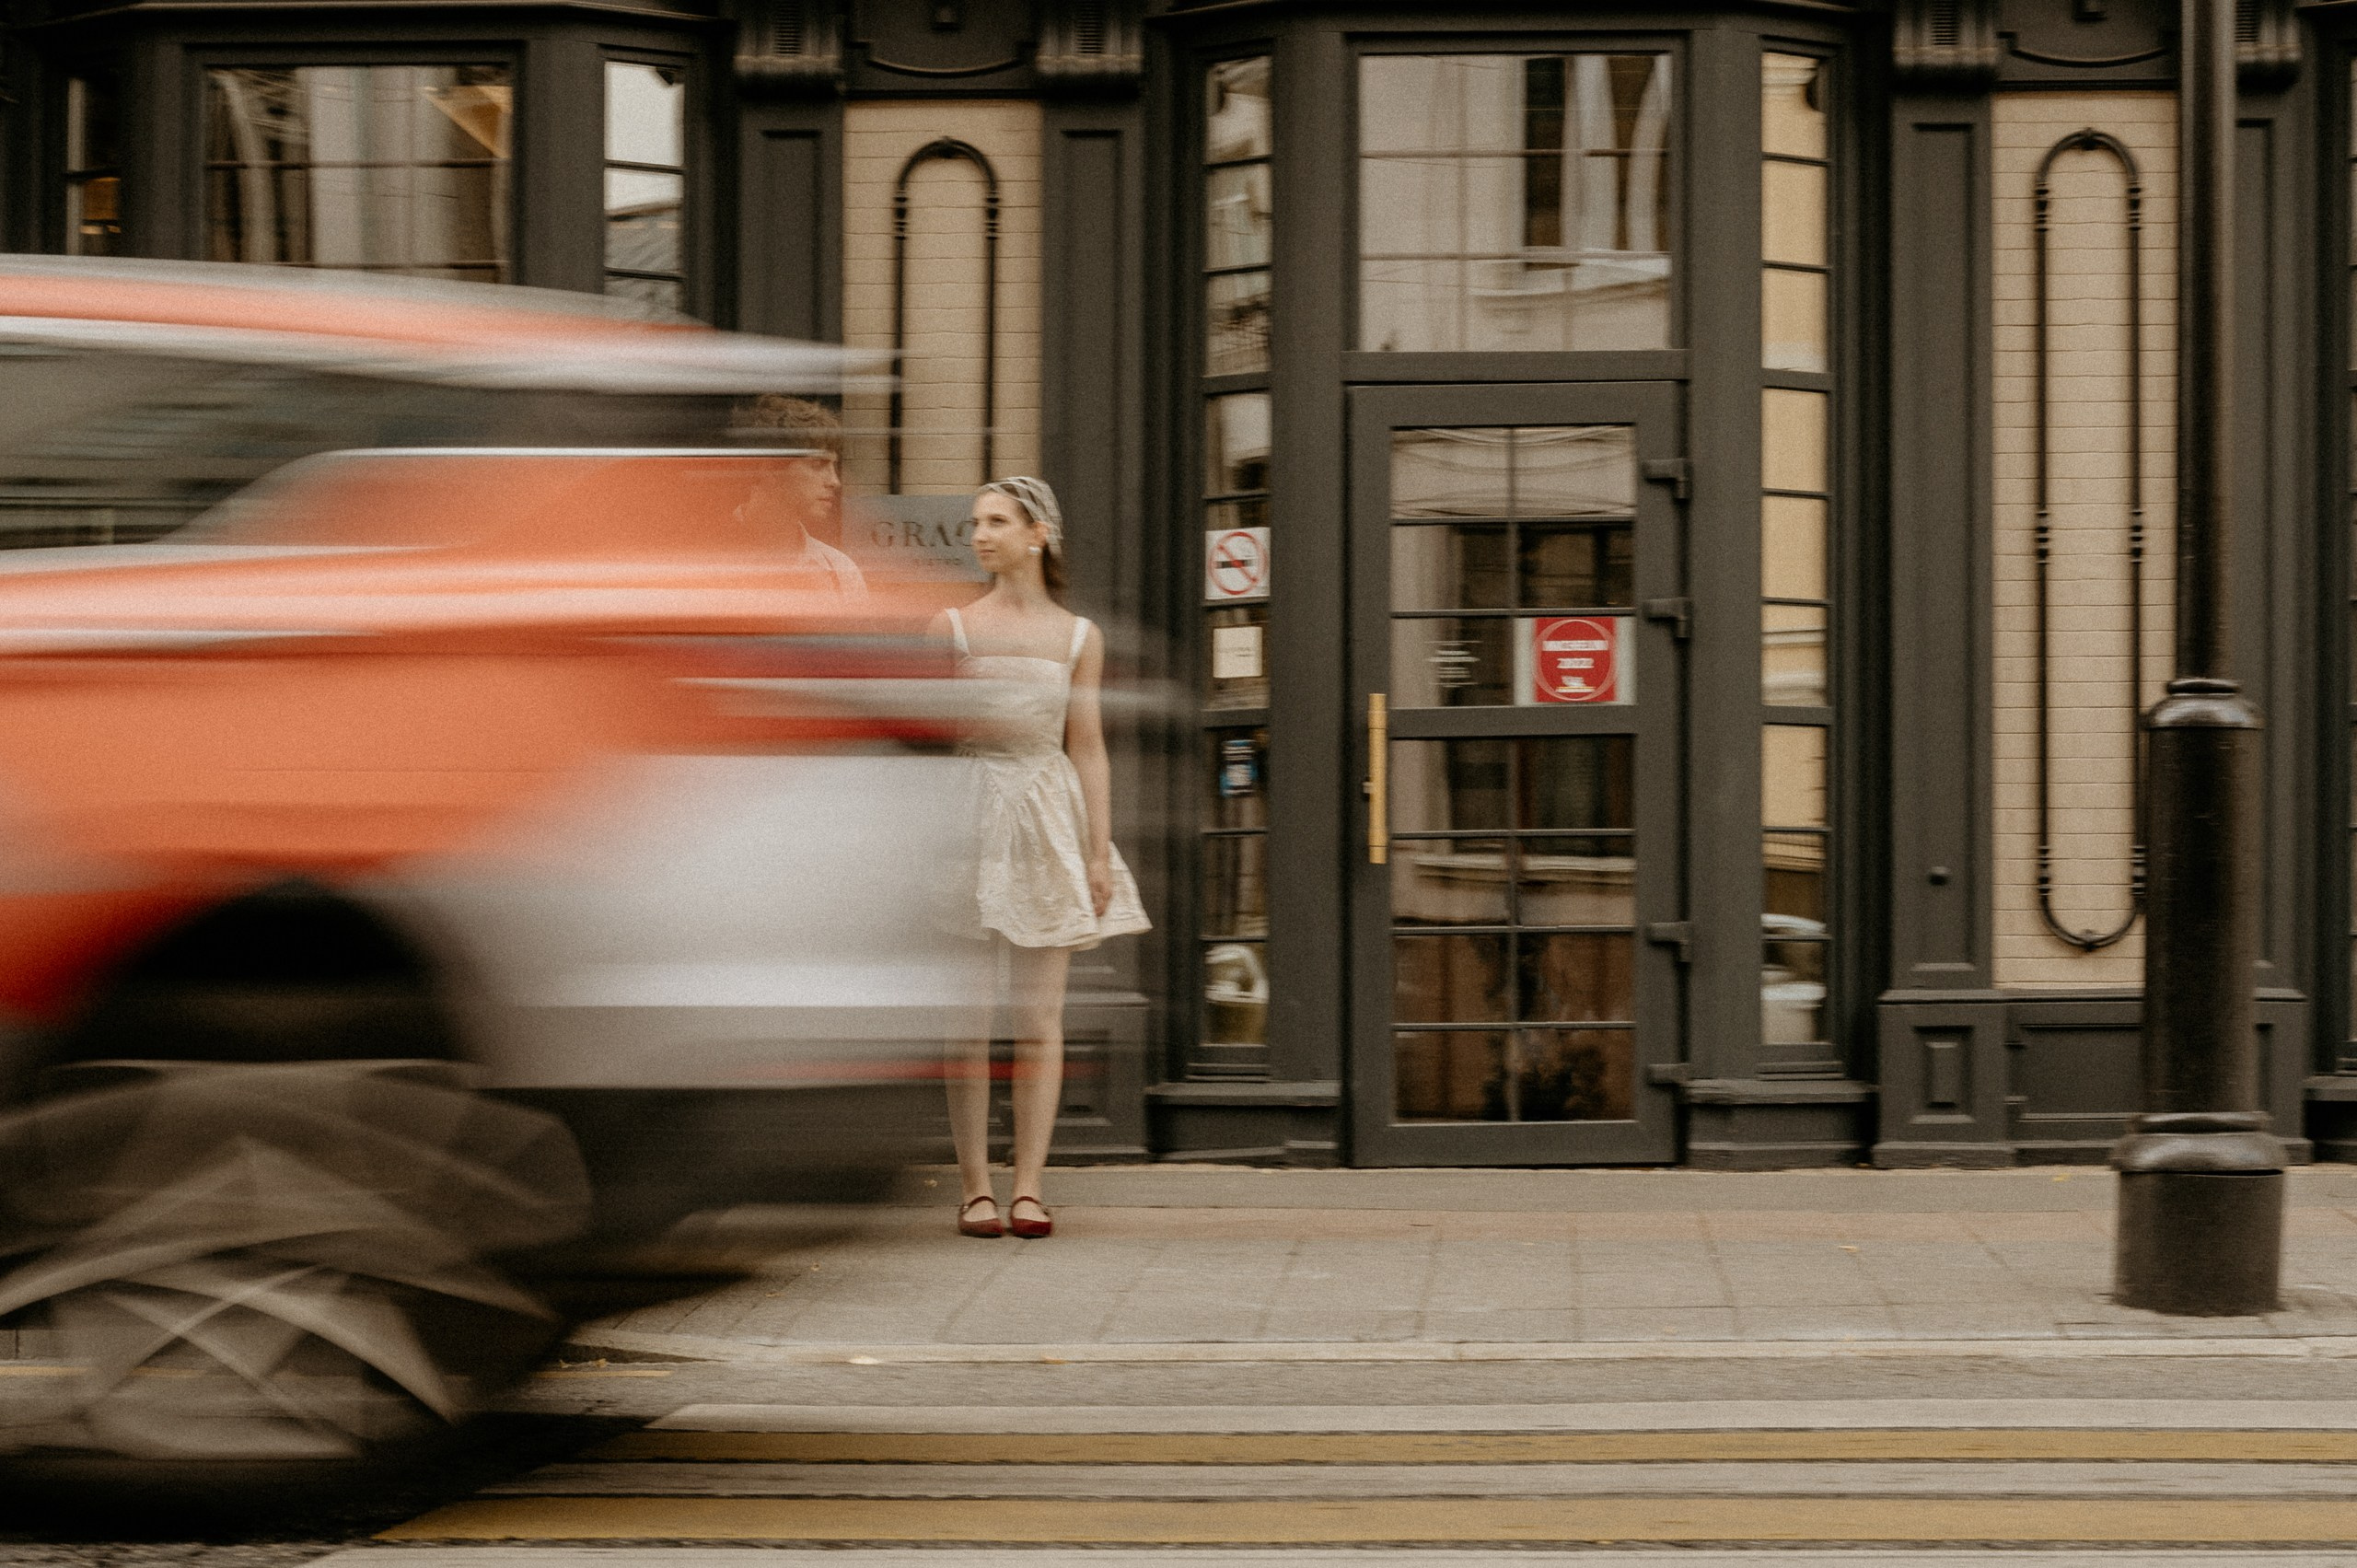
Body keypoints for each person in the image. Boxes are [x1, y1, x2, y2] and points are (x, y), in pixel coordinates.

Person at [935, 475, 1149, 1239]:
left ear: (1038, 534)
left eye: (997, 521)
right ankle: (974, 1187)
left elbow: (1087, 745)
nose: (980, 535)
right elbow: (924, 739)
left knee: (1037, 1016)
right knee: (968, 1019)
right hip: (968, 817)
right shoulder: (951, 627)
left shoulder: (1078, 635)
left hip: (1047, 819)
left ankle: (1028, 1186)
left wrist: (1097, 851)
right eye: (975, 522)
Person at [734, 394, 867, 598]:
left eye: (834, 466)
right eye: (817, 464)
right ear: (770, 469)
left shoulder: (841, 572)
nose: (834, 481)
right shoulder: (706, 555)